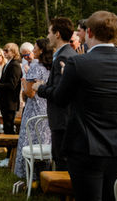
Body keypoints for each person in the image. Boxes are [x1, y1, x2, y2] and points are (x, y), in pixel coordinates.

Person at [50, 11, 117, 201]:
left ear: (89, 32)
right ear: (116, 34)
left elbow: (60, 99)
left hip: (85, 145)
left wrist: (45, 88)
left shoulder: (78, 63)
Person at [34, 17, 76, 170]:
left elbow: (60, 94)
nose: (47, 36)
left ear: (57, 34)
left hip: (62, 120)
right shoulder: (68, 53)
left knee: (62, 162)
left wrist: (40, 88)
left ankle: (63, 192)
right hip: (66, 119)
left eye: (49, 32)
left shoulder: (63, 57)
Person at [14, 39, 52, 181]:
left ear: (41, 50)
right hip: (47, 110)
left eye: (35, 48)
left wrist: (24, 84)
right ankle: (44, 175)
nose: (33, 50)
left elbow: (29, 93)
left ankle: (30, 176)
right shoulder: (50, 67)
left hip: (34, 110)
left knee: (29, 141)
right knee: (44, 142)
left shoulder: (36, 67)